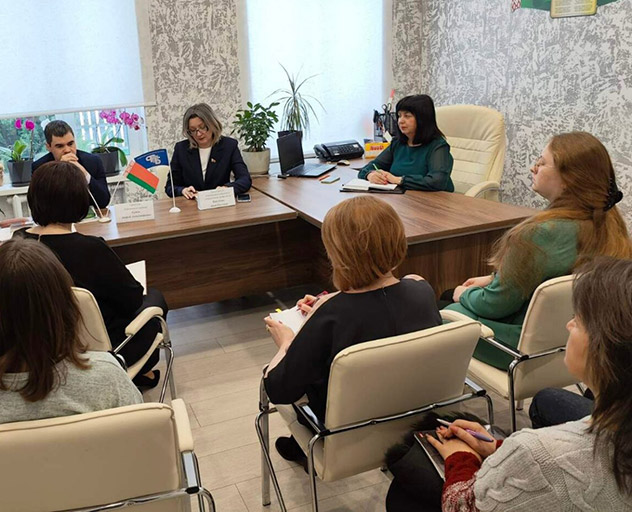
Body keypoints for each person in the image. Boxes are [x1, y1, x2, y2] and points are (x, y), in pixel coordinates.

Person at [427, 256, 632, 511]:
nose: (568, 324)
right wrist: (499, 449)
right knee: (547, 399)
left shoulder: (535, 453)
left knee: (409, 485)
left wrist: (460, 457)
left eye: (578, 320)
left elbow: (460, 506)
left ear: (605, 351)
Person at [263, 196, 441, 466]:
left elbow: (279, 390)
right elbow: (379, 305)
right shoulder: (422, 292)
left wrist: (287, 342)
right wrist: (330, 301)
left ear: (337, 253)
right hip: (418, 420)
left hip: (347, 436)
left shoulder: (330, 316)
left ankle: (303, 447)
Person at [442, 131, 632, 369]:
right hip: (577, 346)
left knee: (444, 310)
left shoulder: (537, 234)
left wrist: (462, 294)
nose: (533, 168)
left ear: (569, 179)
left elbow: (495, 304)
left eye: (542, 163)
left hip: (519, 351)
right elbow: (555, 273)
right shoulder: (610, 226)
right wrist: (493, 278)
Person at [0, 239, 142, 456]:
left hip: (14, 479)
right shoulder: (106, 374)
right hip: (100, 476)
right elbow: (137, 438)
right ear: (66, 303)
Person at [14, 161, 168, 388]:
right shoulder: (90, 248)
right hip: (98, 348)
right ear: (79, 199)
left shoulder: (19, 241)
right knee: (155, 298)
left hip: (43, 345)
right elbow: (132, 299)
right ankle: (139, 371)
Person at [358, 94, 454, 191]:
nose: (400, 121)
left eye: (407, 116)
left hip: (434, 199)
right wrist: (370, 175)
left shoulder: (438, 146)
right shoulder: (398, 143)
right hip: (402, 197)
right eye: (399, 116)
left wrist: (398, 180)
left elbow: (437, 182)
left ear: (422, 119)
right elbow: (370, 167)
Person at [165, 103, 251, 199]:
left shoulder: (229, 146)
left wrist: (226, 188)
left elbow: (245, 179)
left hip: (219, 201)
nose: (198, 134)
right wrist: (182, 190)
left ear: (212, 124)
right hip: (192, 204)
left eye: (202, 127)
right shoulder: (181, 149)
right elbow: (170, 186)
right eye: (193, 130)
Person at [31, 120, 110, 209]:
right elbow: (39, 207)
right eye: (60, 146)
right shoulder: (40, 168)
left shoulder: (93, 162)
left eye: (70, 144)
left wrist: (85, 174)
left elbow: (104, 201)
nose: (67, 150)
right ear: (48, 147)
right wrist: (60, 170)